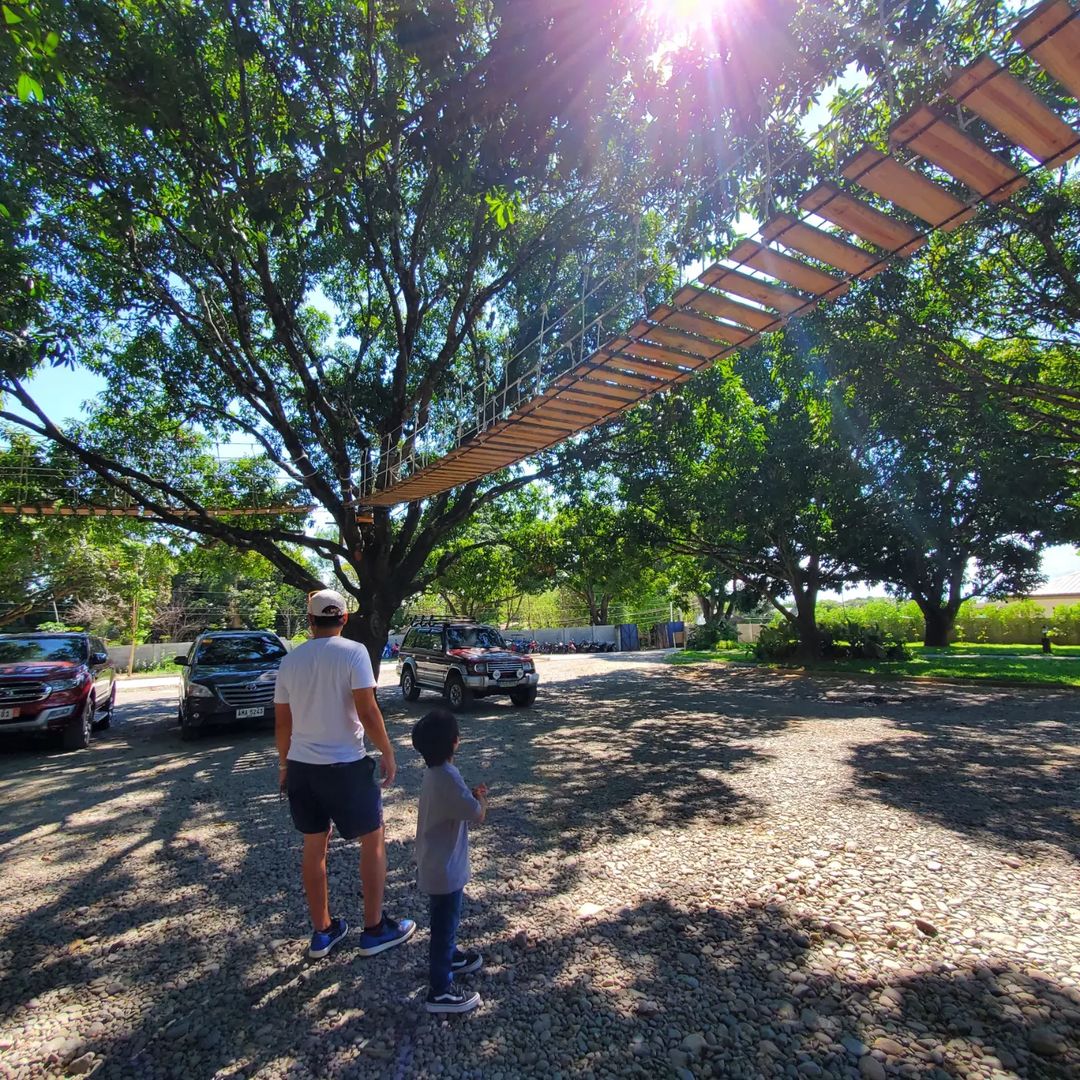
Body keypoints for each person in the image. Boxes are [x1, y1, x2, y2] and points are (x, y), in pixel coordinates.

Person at [274, 588, 415, 960]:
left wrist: (285, 765)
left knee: (313, 845)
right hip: (346, 765)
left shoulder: (291, 662)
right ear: (344, 618)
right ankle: (373, 929)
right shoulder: (354, 653)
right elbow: (367, 710)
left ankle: (323, 931)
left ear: (309, 621)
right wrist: (387, 751)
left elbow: (282, 723)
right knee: (373, 839)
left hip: (303, 767)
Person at [411, 709, 487, 1014]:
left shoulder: (434, 774)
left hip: (436, 863)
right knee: (444, 923)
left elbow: (453, 803)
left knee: (446, 920)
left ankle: (450, 955)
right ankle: (440, 990)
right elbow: (476, 813)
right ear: (454, 742)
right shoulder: (448, 777)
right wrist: (481, 798)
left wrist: (468, 795)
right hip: (444, 868)